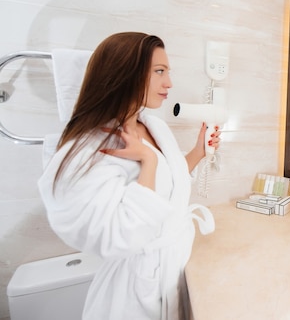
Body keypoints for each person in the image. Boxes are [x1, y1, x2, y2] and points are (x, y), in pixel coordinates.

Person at [38, 32, 220, 320]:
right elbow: (122, 236)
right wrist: (147, 161)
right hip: (135, 293)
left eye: (168, 72)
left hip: (173, 266)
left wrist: (198, 151)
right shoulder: (93, 147)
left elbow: (168, 184)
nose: (169, 82)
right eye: (159, 71)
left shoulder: (151, 125)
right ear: (125, 74)